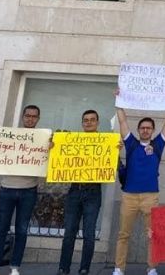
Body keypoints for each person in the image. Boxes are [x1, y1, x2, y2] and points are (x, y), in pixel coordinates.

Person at [112, 87, 165, 275]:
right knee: (123, 234)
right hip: (129, 196)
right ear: (138, 130)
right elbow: (122, 120)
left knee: (152, 235)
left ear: (152, 130)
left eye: (148, 128)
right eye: (142, 128)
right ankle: (119, 268)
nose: (145, 130)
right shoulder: (131, 144)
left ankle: (151, 269)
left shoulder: (158, 145)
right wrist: (118, 100)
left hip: (151, 197)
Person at [0, 105, 43, 275]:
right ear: (23, 117)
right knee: (1, 229)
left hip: (29, 190)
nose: (30, 119)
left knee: (22, 230)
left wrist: (51, 146)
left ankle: (15, 267)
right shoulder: (9, 136)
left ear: (38, 119)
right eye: (28, 116)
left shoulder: (42, 139)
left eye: (34, 116)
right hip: (7, 188)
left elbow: (48, 159)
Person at [57, 110, 107, 275]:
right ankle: (63, 268)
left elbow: (115, 165)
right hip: (74, 191)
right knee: (69, 232)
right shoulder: (74, 141)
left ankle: (84, 268)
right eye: (85, 120)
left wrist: (115, 151)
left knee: (89, 234)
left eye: (92, 120)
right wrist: (55, 146)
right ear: (82, 123)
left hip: (93, 192)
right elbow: (59, 158)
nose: (89, 122)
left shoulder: (105, 143)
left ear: (97, 123)